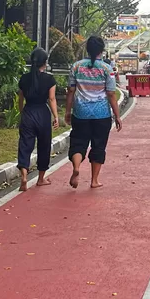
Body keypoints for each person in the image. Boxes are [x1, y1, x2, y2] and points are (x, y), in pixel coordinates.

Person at [66, 36, 123, 189]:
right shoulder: (106, 69)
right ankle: (94, 180)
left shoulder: (76, 66)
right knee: (98, 146)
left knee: (78, 142)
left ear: (87, 49)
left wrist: (67, 111)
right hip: (101, 114)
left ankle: (77, 168)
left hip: (80, 113)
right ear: (101, 51)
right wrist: (117, 115)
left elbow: (71, 90)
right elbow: (111, 94)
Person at [16, 48, 60, 192]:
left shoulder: (24, 79)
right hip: (43, 113)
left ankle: (23, 175)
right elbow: (52, 99)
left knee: (25, 144)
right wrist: (56, 116)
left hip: (29, 112)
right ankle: (41, 179)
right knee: (44, 146)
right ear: (45, 63)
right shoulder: (49, 79)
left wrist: (23, 112)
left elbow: (20, 99)